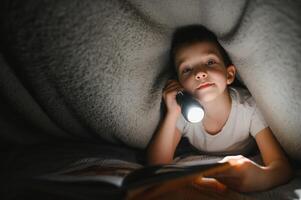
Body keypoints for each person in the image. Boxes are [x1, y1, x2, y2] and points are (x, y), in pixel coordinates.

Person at [147, 25, 292, 192]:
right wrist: (172, 113)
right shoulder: (183, 112)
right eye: (187, 69)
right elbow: (156, 165)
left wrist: (261, 178)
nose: (200, 73)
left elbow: (282, 168)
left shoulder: (248, 108)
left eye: (210, 62)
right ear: (180, 84)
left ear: (229, 75)